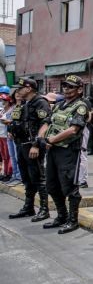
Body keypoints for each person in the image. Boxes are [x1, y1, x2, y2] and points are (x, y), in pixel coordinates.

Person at [36, 75, 90, 233]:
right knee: (51, 185)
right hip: (53, 150)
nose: (66, 89)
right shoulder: (59, 105)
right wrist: (42, 138)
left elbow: (74, 129)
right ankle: (61, 216)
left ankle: (73, 221)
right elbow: (47, 122)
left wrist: (52, 140)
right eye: (65, 86)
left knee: (69, 186)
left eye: (70, 87)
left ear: (79, 89)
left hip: (68, 151)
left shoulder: (81, 106)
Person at [7, 78, 50, 220]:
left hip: (33, 146)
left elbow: (45, 124)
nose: (18, 91)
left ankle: (44, 209)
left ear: (29, 88)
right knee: (27, 178)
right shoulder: (25, 103)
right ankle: (29, 207)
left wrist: (36, 145)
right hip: (22, 145)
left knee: (38, 178)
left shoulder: (40, 102)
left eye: (20, 88)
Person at [4, 89, 24, 186]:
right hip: (9, 135)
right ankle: (14, 176)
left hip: (18, 136)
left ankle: (20, 177)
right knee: (12, 156)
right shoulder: (12, 106)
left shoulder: (24, 106)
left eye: (20, 93)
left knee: (18, 157)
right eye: (16, 93)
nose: (18, 95)